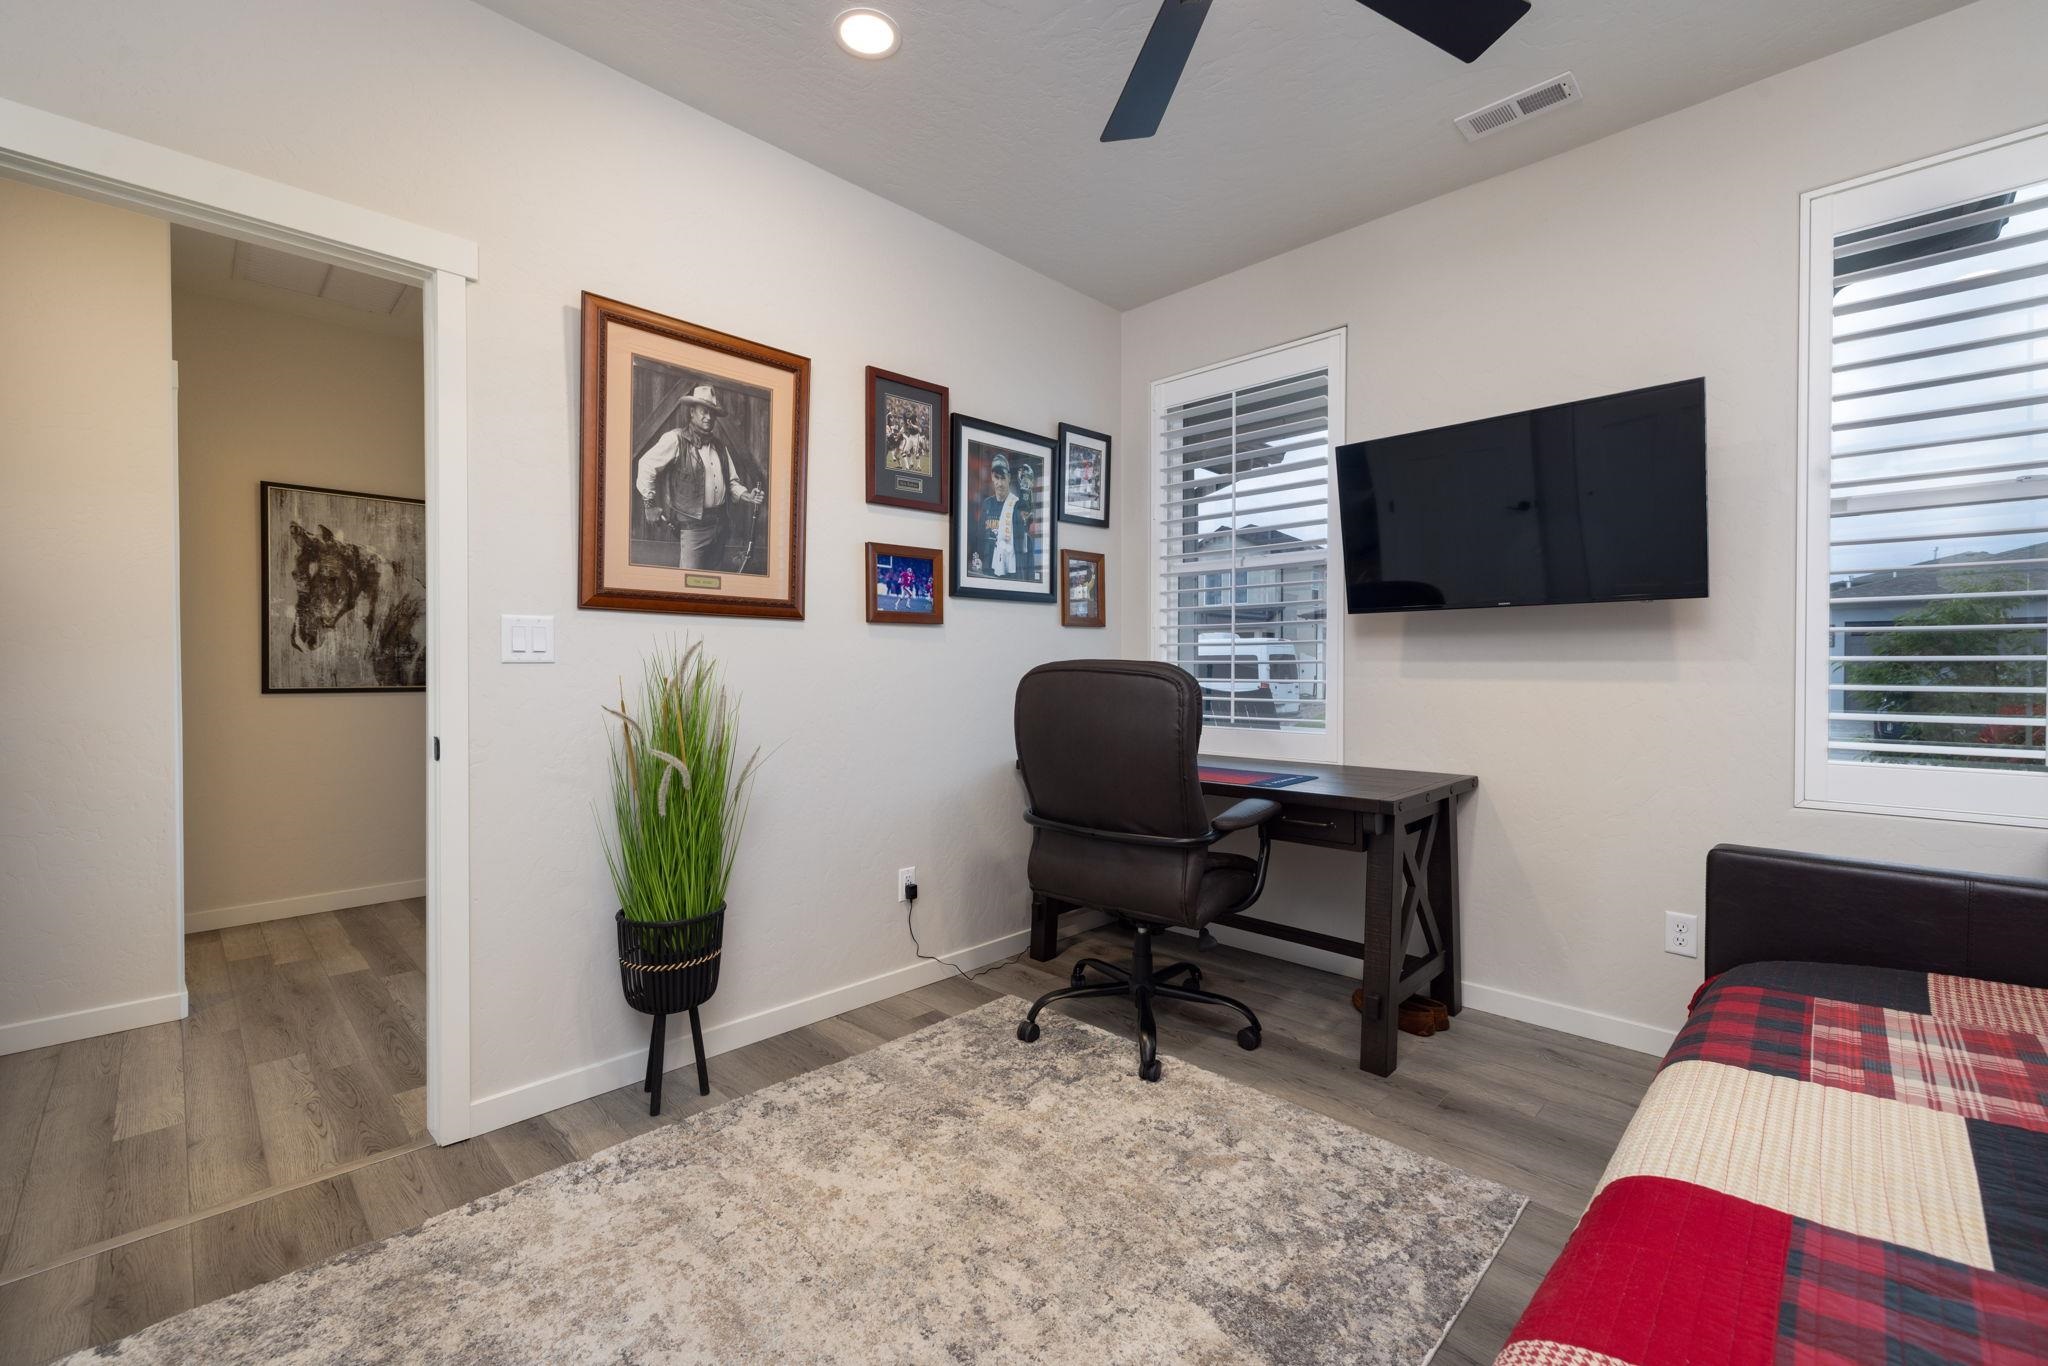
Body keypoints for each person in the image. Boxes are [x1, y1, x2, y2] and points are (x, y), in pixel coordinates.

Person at [634, 383, 766, 570]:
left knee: (712, 584)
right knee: (689, 584)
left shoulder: (720, 447)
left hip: (720, 527)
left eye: (712, 413)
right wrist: (649, 505)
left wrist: (747, 495)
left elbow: (731, 482)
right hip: (692, 529)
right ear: (692, 412)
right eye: (703, 411)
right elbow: (646, 465)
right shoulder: (675, 439)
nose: (708, 417)